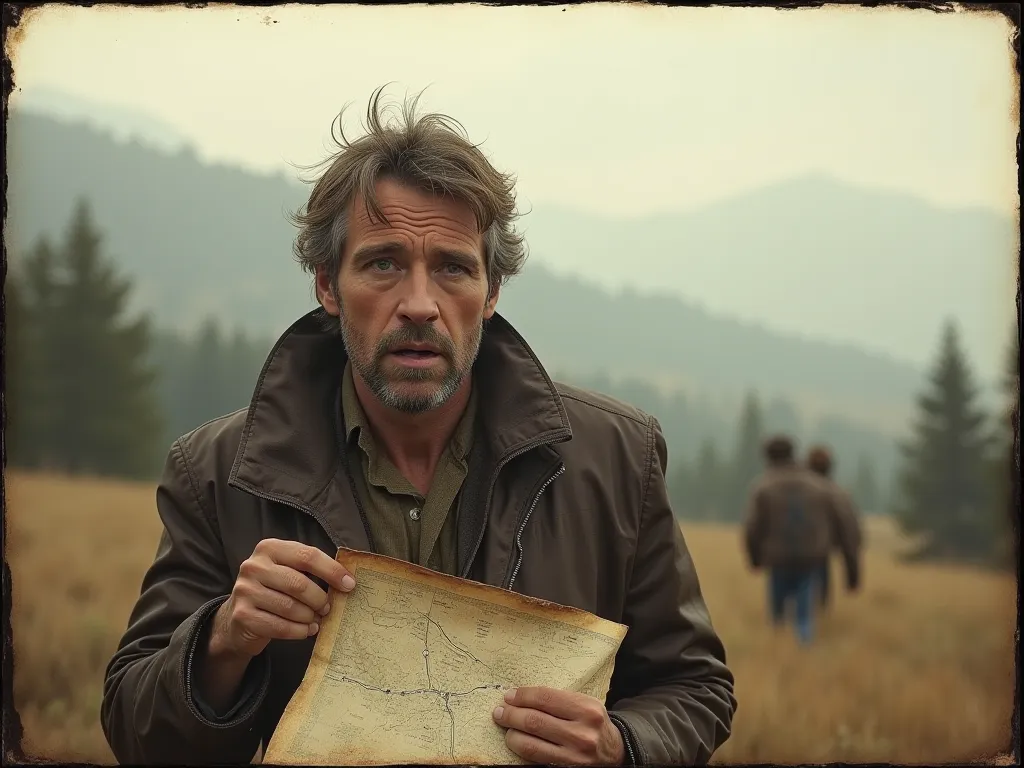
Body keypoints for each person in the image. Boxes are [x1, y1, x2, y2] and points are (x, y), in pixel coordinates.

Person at [100, 88, 737, 766]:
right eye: (383, 263)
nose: (420, 305)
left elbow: (695, 688)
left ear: (491, 293)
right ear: (325, 283)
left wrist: (622, 746)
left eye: (453, 268)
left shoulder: (616, 456)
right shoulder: (217, 471)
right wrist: (223, 640)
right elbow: (139, 733)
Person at [742, 435, 858, 645]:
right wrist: (852, 571)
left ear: (767, 457)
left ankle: (777, 653)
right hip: (811, 559)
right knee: (805, 617)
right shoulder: (819, 486)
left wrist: (755, 558)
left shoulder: (763, 487)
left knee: (777, 619)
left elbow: (752, 527)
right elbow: (844, 526)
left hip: (778, 560)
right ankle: (805, 650)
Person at [805, 444, 863, 609]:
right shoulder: (838, 494)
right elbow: (850, 536)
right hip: (821, 555)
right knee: (819, 607)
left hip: (788, 557)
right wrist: (853, 576)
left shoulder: (791, 492)